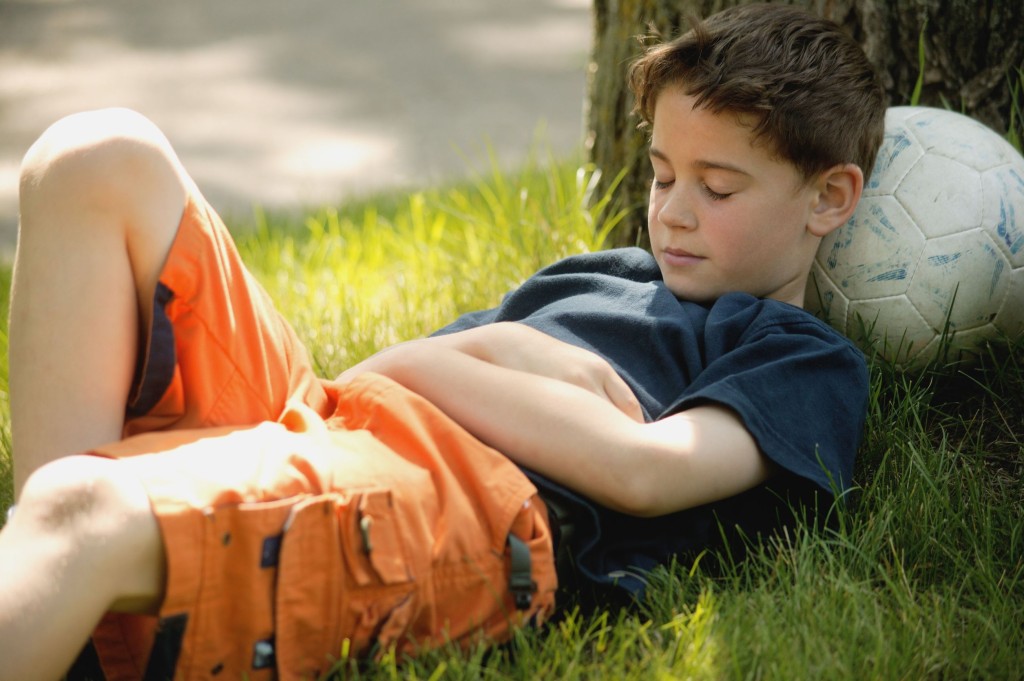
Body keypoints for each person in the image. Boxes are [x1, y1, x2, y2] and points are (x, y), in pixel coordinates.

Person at [0, 4, 885, 680]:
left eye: (719, 188)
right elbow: (365, 383)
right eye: (660, 174)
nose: (673, 210)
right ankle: (65, 610)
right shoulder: (602, 271)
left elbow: (643, 471)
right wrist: (488, 357)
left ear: (829, 198)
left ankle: (70, 562)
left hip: (467, 501)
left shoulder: (799, 356)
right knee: (94, 155)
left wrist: (453, 359)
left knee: (89, 506)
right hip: (335, 419)